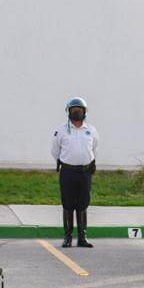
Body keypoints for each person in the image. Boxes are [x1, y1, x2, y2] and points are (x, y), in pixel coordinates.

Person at [51, 97, 98, 248]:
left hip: (85, 172)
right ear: (69, 112)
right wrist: (64, 161)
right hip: (68, 172)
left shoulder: (91, 130)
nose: (77, 112)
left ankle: (82, 237)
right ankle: (68, 237)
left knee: (83, 203)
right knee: (68, 203)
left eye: (80, 109)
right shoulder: (61, 130)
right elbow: (55, 151)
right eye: (74, 109)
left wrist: (90, 162)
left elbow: (94, 147)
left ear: (85, 112)